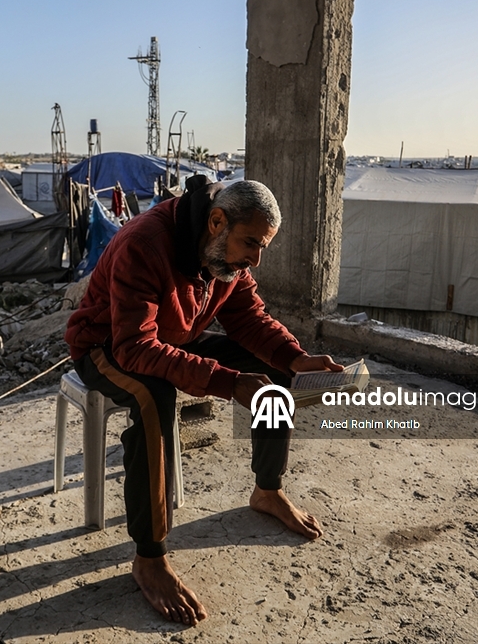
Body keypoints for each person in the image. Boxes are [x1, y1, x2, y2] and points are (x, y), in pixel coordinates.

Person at [65, 176, 342, 625]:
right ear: (216, 221)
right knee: (154, 398)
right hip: (106, 345)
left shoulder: (227, 256)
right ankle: (150, 558)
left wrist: (298, 358)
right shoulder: (145, 244)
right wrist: (228, 382)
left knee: (275, 371)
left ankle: (267, 490)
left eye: (262, 249)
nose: (254, 259)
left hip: (174, 338)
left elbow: (249, 318)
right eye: (250, 244)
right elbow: (135, 348)